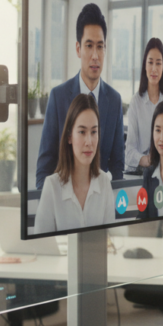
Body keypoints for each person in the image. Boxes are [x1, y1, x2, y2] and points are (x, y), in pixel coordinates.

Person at [36, 3, 125, 189]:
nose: (95, 55)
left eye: (100, 47)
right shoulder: (58, 97)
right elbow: (44, 169)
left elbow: (117, 166)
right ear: (78, 49)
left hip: (101, 209)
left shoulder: (115, 100)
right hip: (65, 208)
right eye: (89, 46)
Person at [34, 94, 118, 233]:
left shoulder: (104, 183)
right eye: (82, 132)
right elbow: (41, 245)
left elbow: (109, 241)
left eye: (94, 132)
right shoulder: (52, 186)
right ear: (69, 137)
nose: (89, 141)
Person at [125, 38, 163, 171]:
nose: (154, 69)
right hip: (142, 175)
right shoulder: (136, 102)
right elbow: (129, 152)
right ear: (144, 66)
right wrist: (147, 160)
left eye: (158, 63)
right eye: (150, 63)